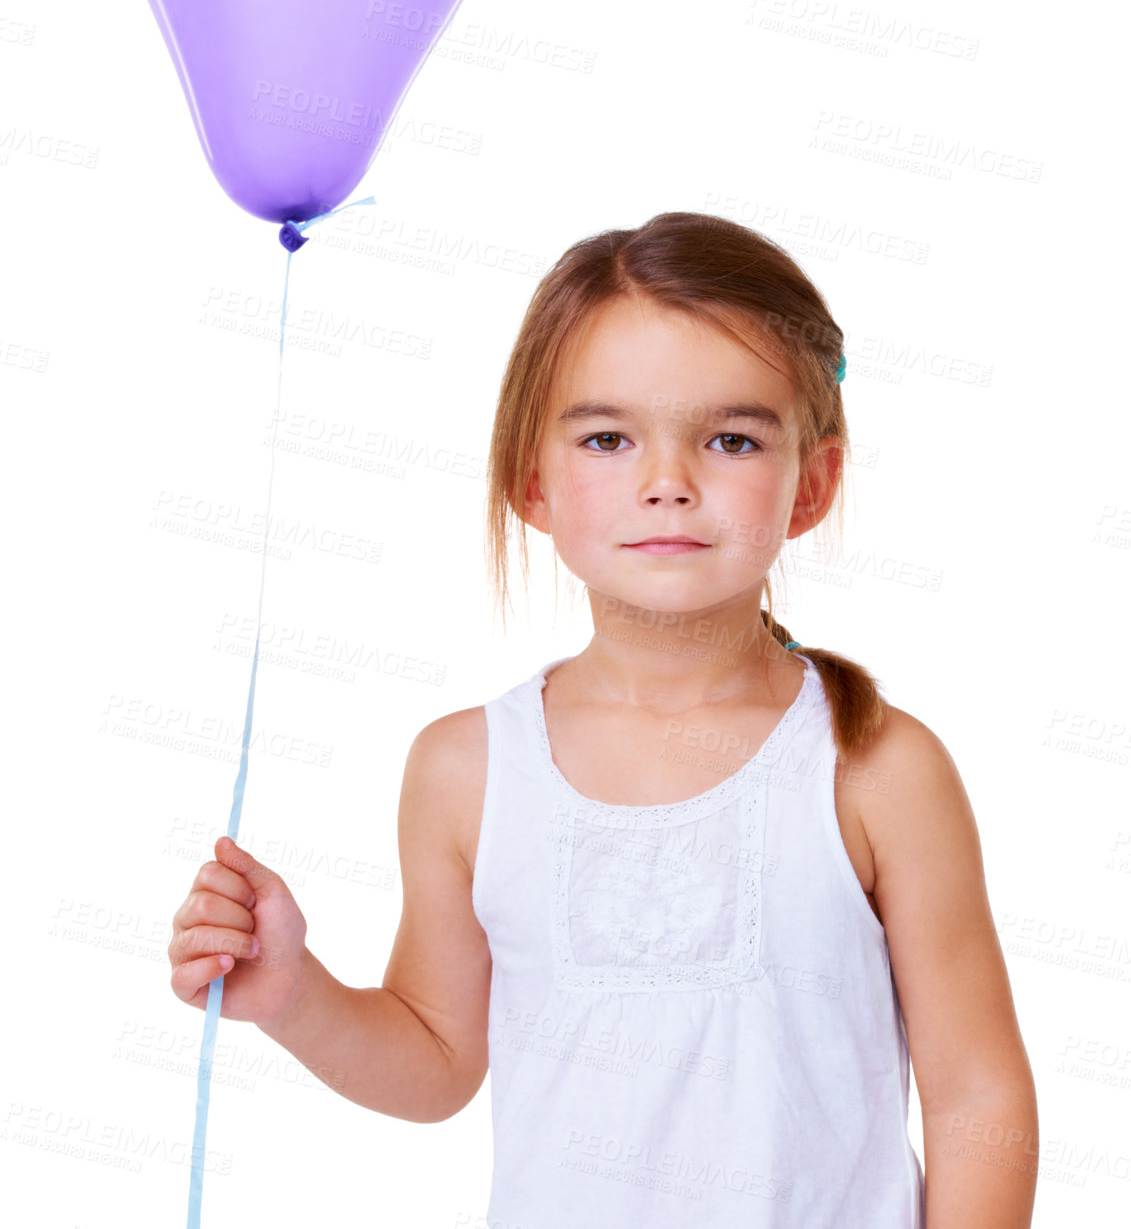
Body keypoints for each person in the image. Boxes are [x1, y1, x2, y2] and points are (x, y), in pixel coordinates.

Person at [168, 210, 1038, 1226]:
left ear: (813, 483)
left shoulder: (876, 768)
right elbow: (440, 1061)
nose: (667, 483)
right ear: (532, 481)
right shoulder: (467, 770)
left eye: (730, 438)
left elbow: (979, 1092)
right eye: (609, 438)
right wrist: (293, 994)